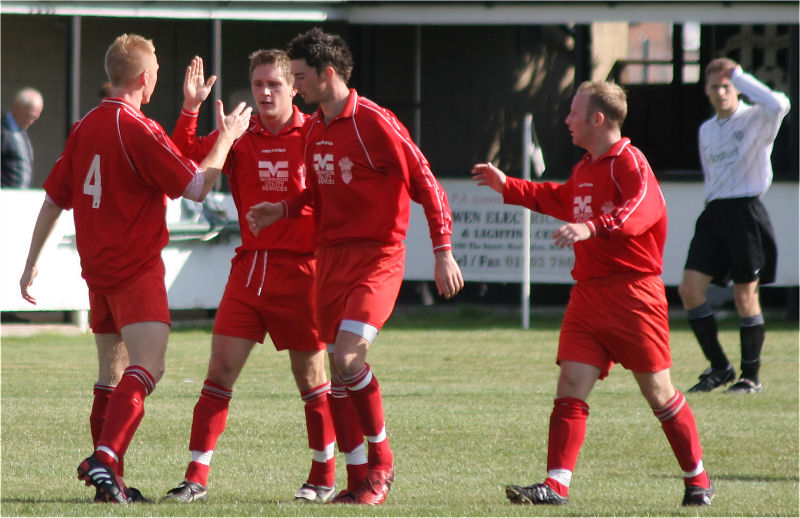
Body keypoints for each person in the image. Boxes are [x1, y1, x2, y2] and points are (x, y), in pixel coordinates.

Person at [18, 33, 251, 504]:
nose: (157, 80)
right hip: (135, 267)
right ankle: (104, 458)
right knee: (150, 365)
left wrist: (30, 263)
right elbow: (196, 186)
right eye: (158, 73)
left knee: (110, 377)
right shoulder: (137, 128)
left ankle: (111, 483)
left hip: (98, 273)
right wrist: (225, 137)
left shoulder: (85, 126)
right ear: (145, 79)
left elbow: (52, 200)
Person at [247, 27, 464, 505]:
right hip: (330, 260)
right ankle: (355, 477)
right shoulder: (316, 128)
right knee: (336, 374)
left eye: (300, 77)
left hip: (377, 258)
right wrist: (281, 209)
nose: (295, 86)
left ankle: (382, 466)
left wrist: (443, 250)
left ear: (327, 74)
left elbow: (427, 184)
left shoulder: (376, 122)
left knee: (347, 358)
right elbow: (315, 193)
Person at [471, 80, 714, 507]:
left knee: (658, 392)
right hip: (588, 296)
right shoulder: (586, 166)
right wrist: (507, 184)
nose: (566, 120)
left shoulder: (630, 161)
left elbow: (642, 210)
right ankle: (556, 485)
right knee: (571, 383)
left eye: (573, 113)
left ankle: (698, 479)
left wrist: (591, 227)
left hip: (634, 296)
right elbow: (561, 198)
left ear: (597, 119)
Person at [162, 51, 336, 504]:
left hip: (303, 270)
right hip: (250, 270)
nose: (263, 93)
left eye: (273, 85)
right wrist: (191, 109)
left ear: (294, 88)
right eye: (257, 84)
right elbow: (183, 163)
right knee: (219, 370)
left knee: (310, 376)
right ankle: (196, 477)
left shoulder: (317, 132)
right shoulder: (240, 133)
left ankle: (323, 475)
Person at [678, 58, 791, 395]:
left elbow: (780, 103)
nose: (721, 92)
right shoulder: (706, 129)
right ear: (707, 91)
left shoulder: (756, 117)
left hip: (746, 212)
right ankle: (720, 367)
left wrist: (741, 77)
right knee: (689, 289)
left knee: (745, 295)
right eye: (715, 86)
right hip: (714, 213)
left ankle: (750, 377)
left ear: (737, 88)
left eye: (727, 86)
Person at [1, 87, 43, 188]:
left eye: (35, 118)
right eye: (29, 116)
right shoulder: (3, 131)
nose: (31, 121)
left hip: (20, 197)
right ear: (16, 107)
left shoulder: (20, 132)